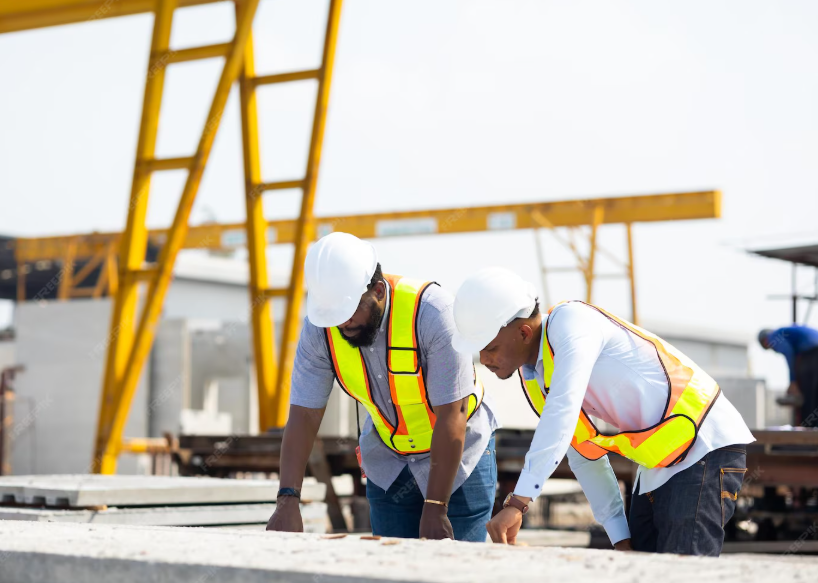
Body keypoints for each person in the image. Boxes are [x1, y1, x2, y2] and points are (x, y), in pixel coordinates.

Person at [450, 267, 755, 556]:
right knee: (644, 569)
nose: (484, 360)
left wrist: (518, 503)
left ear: (524, 332)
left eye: (490, 347)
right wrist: (619, 539)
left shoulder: (572, 323)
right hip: (660, 462)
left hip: (705, 445)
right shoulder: (536, 377)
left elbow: (561, 415)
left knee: (683, 573)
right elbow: (584, 455)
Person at [266, 233, 499, 541]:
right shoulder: (320, 329)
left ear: (377, 290)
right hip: (390, 463)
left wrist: (435, 506)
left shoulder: (433, 312)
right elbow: (304, 415)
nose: (342, 323)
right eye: (334, 315)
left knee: (455, 564)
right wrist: (287, 499)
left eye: (350, 310)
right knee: (391, 563)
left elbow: (452, 414)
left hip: (458, 459)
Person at [758, 326, 818, 427]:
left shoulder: (773, 337)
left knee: (808, 395)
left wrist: (793, 381)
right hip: (813, 349)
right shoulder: (785, 333)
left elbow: (789, 353)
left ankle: (808, 429)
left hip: (812, 353)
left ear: (765, 341)